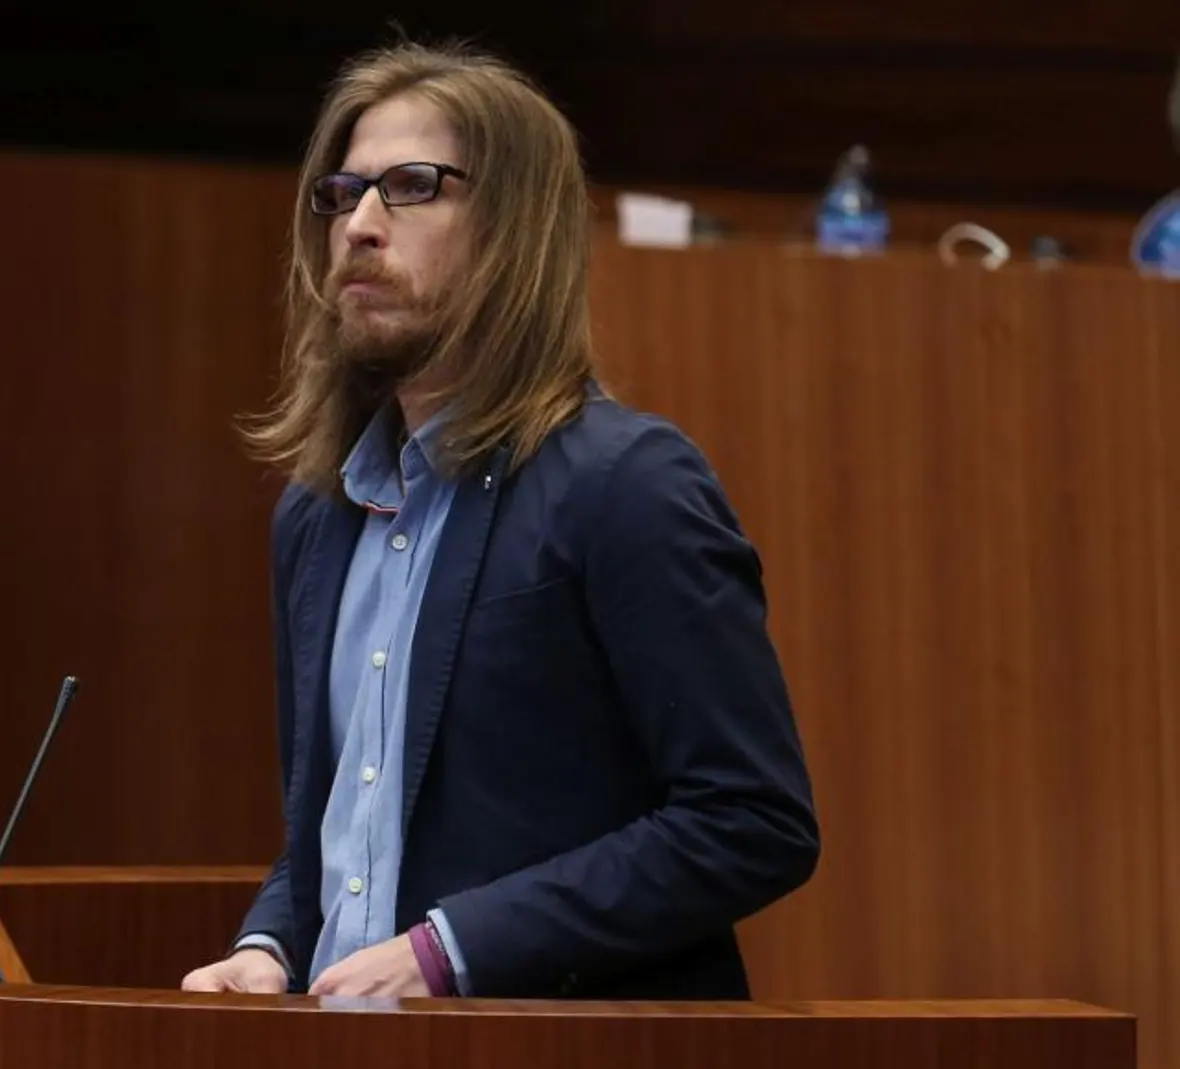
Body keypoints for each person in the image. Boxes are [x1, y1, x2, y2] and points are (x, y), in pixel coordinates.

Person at [180, 40, 820, 1001]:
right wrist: (271, 943)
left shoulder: (627, 486)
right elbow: (337, 833)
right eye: (342, 191)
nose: (357, 224)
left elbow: (751, 820)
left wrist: (450, 949)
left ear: (516, 228)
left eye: (411, 186)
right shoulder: (316, 517)